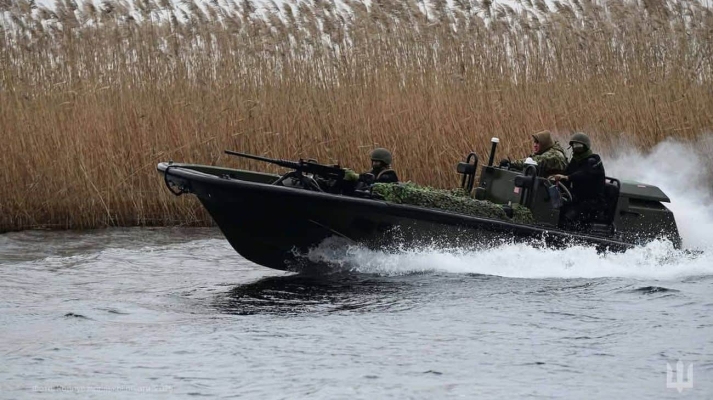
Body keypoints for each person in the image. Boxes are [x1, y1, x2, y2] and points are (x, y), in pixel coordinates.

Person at [549, 132, 606, 231]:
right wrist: (555, 177)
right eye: (574, 145)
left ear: (585, 146)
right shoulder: (575, 161)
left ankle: (573, 238)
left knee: (569, 216)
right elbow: (566, 173)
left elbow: (585, 174)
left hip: (593, 201)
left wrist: (568, 177)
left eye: (578, 145)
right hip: (576, 198)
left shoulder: (594, 160)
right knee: (557, 210)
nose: (576, 148)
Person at [501, 131, 568, 177]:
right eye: (534, 142)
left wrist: (512, 163)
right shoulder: (545, 151)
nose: (535, 145)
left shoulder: (554, 155)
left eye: (537, 143)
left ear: (544, 143)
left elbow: (534, 161)